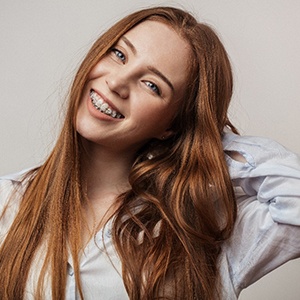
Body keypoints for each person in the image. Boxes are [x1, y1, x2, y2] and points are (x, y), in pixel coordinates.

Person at [0, 6, 299, 300]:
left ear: (172, 124)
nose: (116, 83)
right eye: (119, 55)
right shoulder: (7, 203)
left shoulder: (206, 227)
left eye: (152, 85)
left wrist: (201, 142)